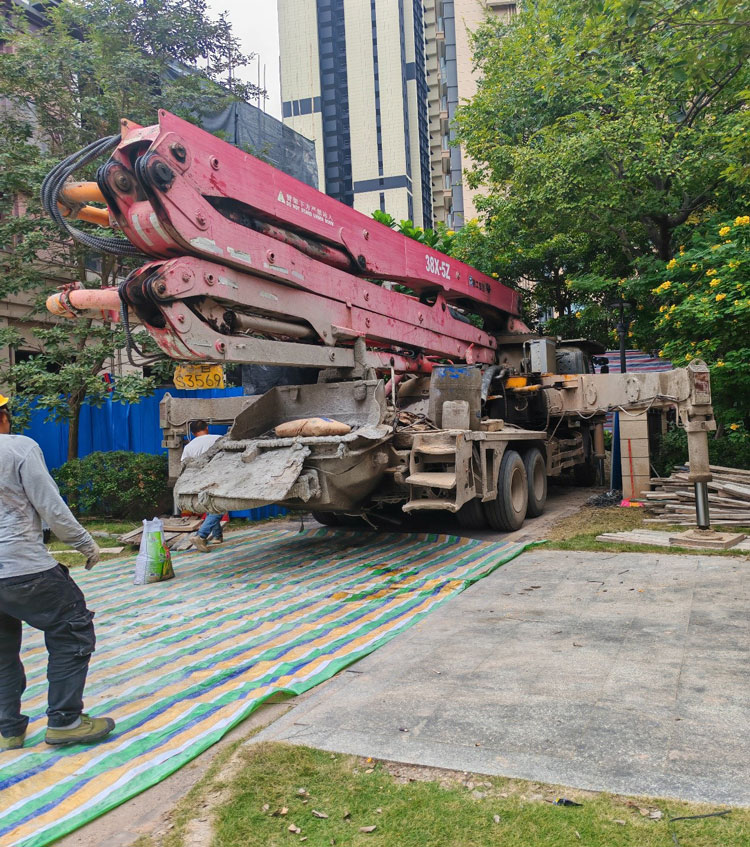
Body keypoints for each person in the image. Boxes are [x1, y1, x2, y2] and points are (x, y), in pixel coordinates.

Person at [0, 394, 115, 751]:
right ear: (2, 417)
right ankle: (65, 720)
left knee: (2, 651)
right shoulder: (18, 448)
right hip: (21, 565)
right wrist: (85, 544)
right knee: (72, 627)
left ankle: (8, 730)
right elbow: (50, 505)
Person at [182, 420, 224, 552]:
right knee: (220, 507)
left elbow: (184, 464)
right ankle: (201, 535)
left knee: (210, 504)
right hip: (217, 477)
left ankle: (217, 536)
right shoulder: (218, 439)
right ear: (207, 428)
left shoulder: (188, 447)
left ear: (193, 433)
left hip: (199, 480)